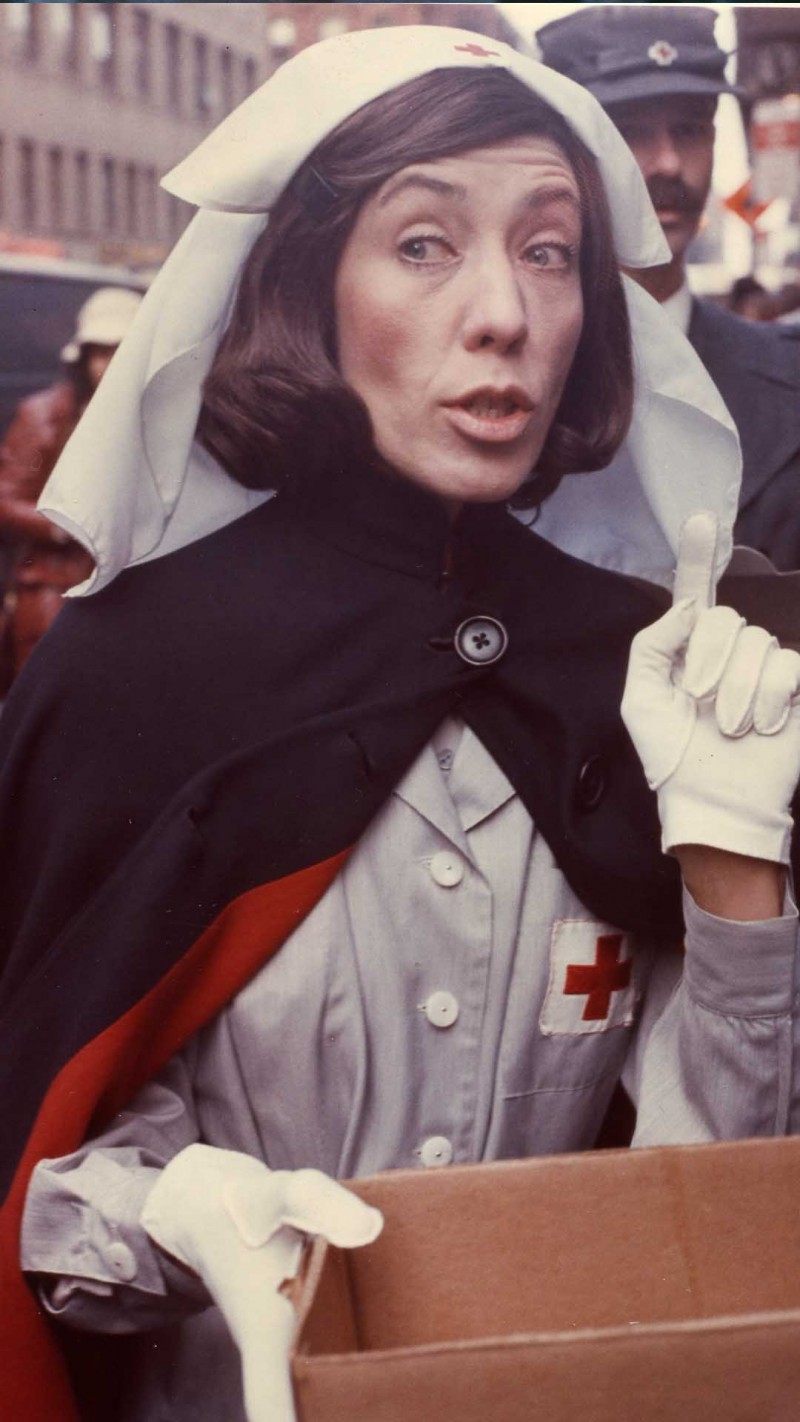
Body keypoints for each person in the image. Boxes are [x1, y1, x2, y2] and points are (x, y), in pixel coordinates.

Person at [0, 26, 798, 1422]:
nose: (504, 312)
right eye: (424, 244)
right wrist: (167, 1206)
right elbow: (35, 1137)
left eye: (549, 251)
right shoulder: (134, 678)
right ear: (309, 288)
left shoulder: (639, 673)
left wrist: (737, 873)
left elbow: (714, 1207)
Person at [537, 4, 800, 571]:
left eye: (690, 128)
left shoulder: (790, 380)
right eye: (628, 130)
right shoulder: (506, 375)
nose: (669, 164)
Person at [0, 286, 143, 681]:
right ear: (83, 357)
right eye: (99, 351)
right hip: (54, 588)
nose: (108, 363)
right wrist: (65, 526)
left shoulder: (154, 418)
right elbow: (6, 499)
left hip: (130, 592)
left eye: (119, 350)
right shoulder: (45, 415)